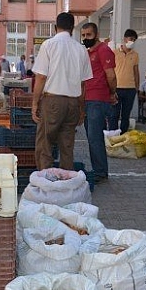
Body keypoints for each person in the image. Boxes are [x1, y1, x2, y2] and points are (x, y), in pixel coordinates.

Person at [32, 12, 93, 170]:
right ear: (72, 28)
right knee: (67, 147)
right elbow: (83, 85)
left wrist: (34, 103)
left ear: (54, 27)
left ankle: (46, 183)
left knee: (45, 143)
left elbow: (40, 77)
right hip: (73, 102)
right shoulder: (81, 49)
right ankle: (66, 184)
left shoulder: (49, 45)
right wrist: (81, 109)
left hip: (52, 101)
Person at [81, 22, 117, 182]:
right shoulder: (89, 52)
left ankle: (100, 172)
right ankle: (99, 170)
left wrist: (112, 93)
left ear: (95, 34)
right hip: (89, 99)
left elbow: (111, 75)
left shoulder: (103, 50)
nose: (85, 38)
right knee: (92, 137)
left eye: (88, 35)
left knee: (94, 137)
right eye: (83, 35)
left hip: (98, 99)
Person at [109, 29, 140, 133]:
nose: (132, 41)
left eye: (134, 40)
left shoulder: (135, 55)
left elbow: (136, 72)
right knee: (114, 114)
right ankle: (113, 136)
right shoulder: (114, 53)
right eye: (131, 39)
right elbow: (110, 71)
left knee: (126, 115)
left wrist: (136, 88)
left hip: (130, 90)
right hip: (116, 88)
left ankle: (123, 136)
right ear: (125, 39)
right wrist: (110, 89)